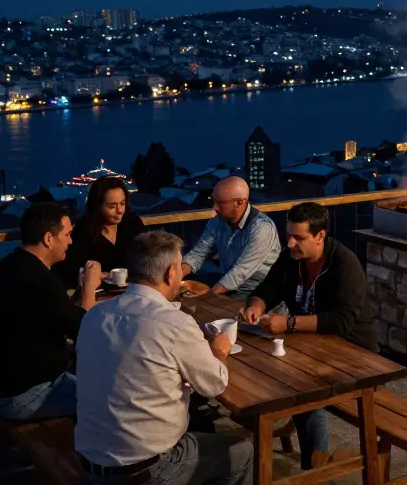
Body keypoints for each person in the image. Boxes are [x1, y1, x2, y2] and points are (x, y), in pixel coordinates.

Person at [76, 231, 252, 485]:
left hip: (91, 463)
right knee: (241, 452)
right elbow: (215, 384)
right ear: (171, 273)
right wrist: (220, 350)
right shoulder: (174, 323)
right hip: (144, 471)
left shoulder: (95, 315)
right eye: (180, 267)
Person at [239, 202, 375, 470]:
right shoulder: (292, 257)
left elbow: (341, 322)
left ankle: (314, 463)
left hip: (355, 352)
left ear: (320, 236)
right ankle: (313, 456)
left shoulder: (344, 264)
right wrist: (255, 306)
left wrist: (288, 324)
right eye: (288, 234)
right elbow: (268, 288)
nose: (290, 243)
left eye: (298, 237)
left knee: (300, 385)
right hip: (313, 344)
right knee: (271, 370)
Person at [0, 202, 98, 420]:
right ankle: (87, 453)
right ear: (48, 239)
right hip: (25, 395)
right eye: (67, 234)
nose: (70, 241)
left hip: (2, 386)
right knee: (108, 399)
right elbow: (86, 330)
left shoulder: (11, 265)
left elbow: (53, 313)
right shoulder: (40, 279)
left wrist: (79, 293)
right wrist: (90, 285)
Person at [181, 176, 280, 297]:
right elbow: (199, 253)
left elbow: (238, 273)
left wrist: (207, 297)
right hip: (231, 283)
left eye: (220, 203)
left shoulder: (262, 228)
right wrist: (175, 276)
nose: (214, 208)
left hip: (258, 292)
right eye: (213, 201)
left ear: (239, 202)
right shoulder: (218, 221)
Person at [57, 176, 145, 290]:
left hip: (133, 289)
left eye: (122, 203)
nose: (120, 210)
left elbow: (148, 253)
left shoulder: (131, 221)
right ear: (98, 206)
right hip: (99, 294)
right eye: (112, 206)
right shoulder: (84, 230)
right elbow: (71, 270)